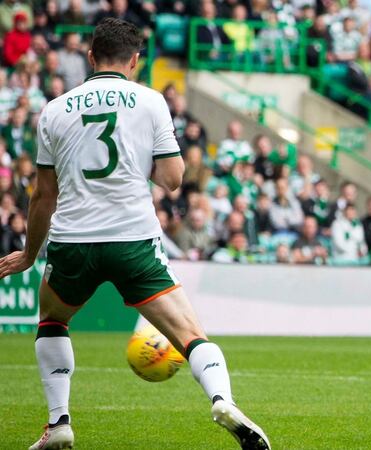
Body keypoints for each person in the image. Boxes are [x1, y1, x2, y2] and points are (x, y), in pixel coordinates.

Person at [5, 19, 270, 450]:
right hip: (133, 240)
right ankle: (223, 400)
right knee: (191, 335)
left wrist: (29, 253)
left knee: (52, 320)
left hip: (73, 241)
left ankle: (59, 423)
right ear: (135, 61)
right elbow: (173, 178)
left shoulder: (54, 109)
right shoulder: (150, 101)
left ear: (91, 57)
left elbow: (43, 196)